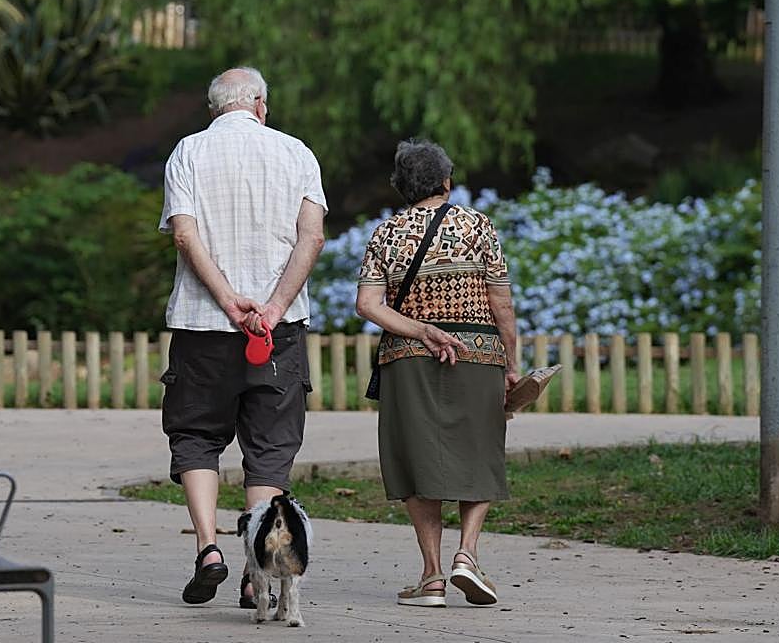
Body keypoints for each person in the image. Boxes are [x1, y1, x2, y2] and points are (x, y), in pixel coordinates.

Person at [158, 67, 327, 609]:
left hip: (203, 326)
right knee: (270, 448)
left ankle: (209, 548)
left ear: (215, 110)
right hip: (277, 332)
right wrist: (273, 306)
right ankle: (259, 569)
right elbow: (313, 235)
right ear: (260, 105)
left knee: (196, 436)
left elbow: (184, 234)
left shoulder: (187, 151)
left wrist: (229, 301)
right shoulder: (298, 153)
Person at [355, 139, 520, 608]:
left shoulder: (386, 233)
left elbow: (368, 305)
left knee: (416, 459)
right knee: (481, 451)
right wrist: (510, 363)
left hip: (407, 360)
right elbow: (501, 302)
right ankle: (466, 555)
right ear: (447, 181)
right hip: (477, 352)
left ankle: (431, 576)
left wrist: (420, 329)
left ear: (403, 186)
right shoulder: (478, 226)